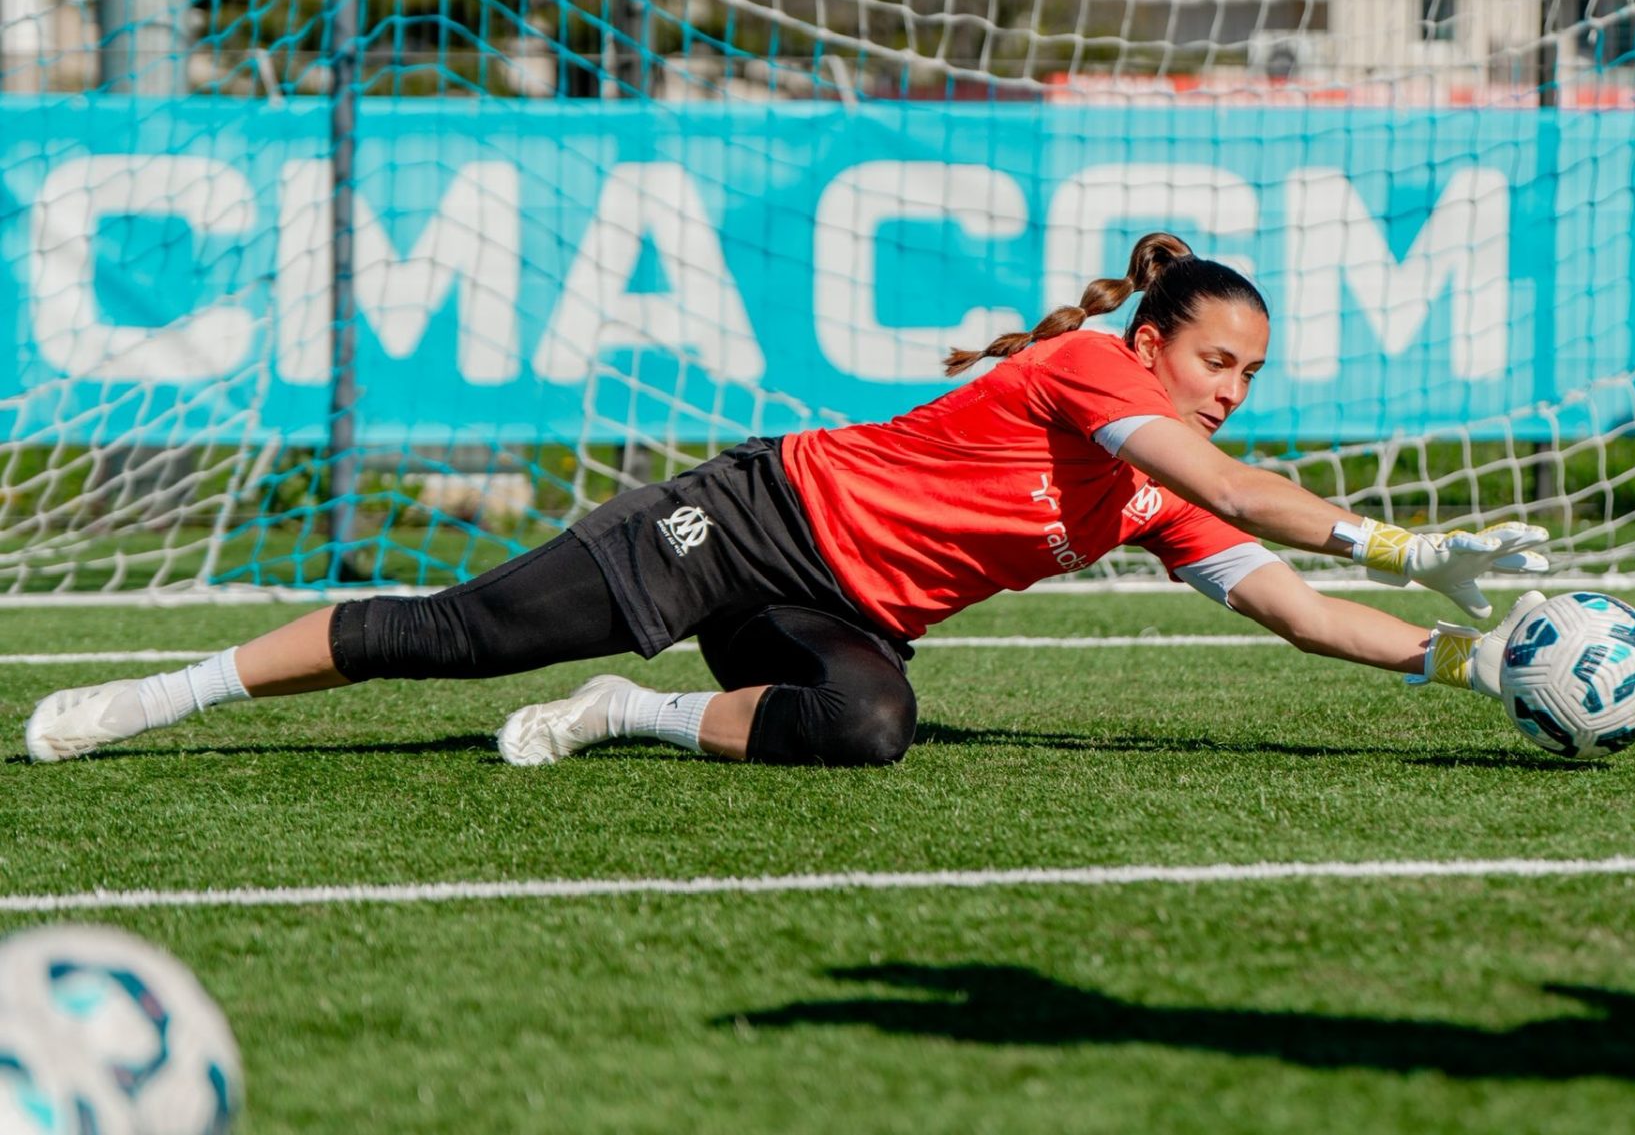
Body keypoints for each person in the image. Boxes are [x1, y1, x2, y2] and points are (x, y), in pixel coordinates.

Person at [26, 232, 1551, 768]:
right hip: (753, 522)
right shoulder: (1092, 369)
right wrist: (1409, 540)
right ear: (1154, 342)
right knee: (462, 632)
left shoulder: (1148, 496)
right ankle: (156, 694)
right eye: (1217, 359)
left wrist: (1464, 656)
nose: (1231, 387)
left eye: (1251, 373)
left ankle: (630, 713)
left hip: (830, 614)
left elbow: (1288, 604)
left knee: (874, 727)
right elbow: (1235, 485)